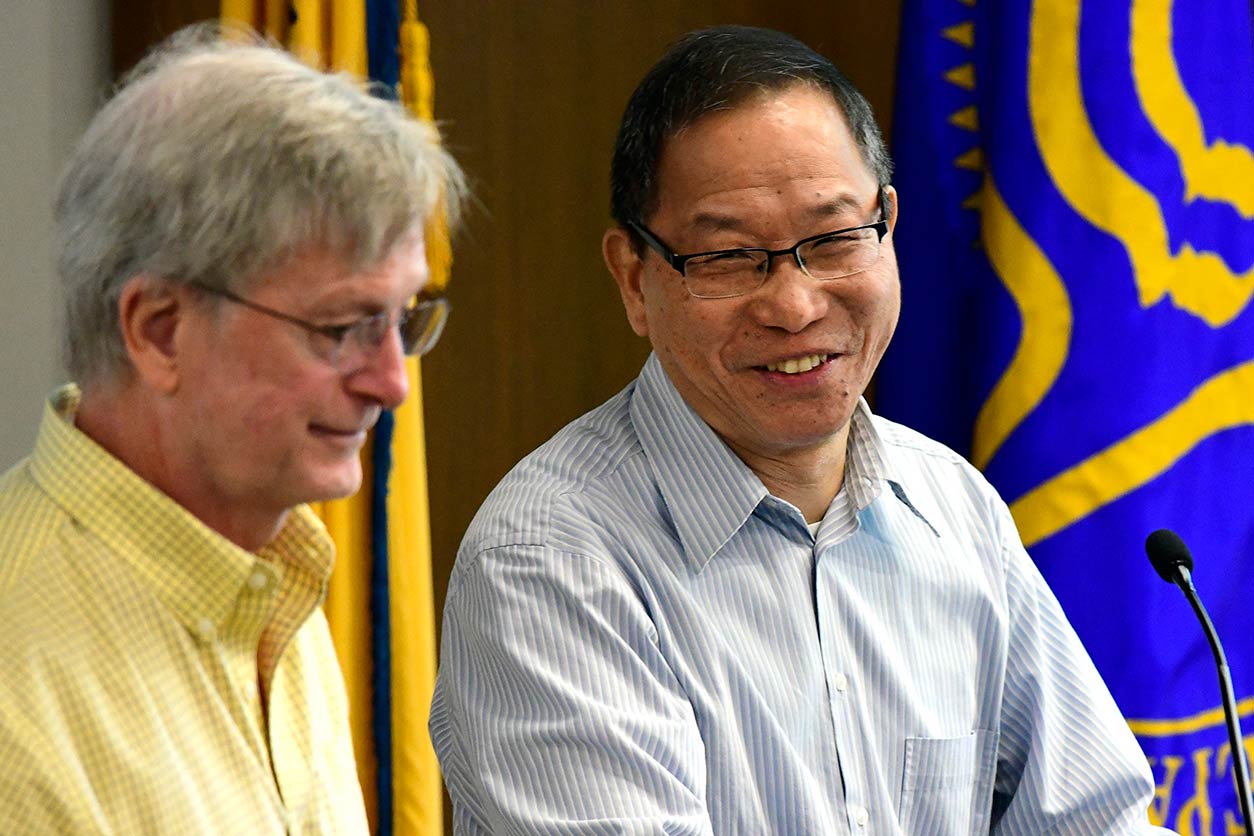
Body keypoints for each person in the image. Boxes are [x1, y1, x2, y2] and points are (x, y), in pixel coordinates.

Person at [429, 25, 1172, 834]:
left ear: (888, 225)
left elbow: (1094, 819)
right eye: (729, 257)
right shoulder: (550, 560)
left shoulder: (954, 507)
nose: (795, 304)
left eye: (833, 239)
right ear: (634, 279)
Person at [0, 25, 464, 833]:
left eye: (403, 319)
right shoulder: (16, 702)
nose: (393, 383)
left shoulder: (274, 565)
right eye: (343, 327)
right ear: (160, 331)